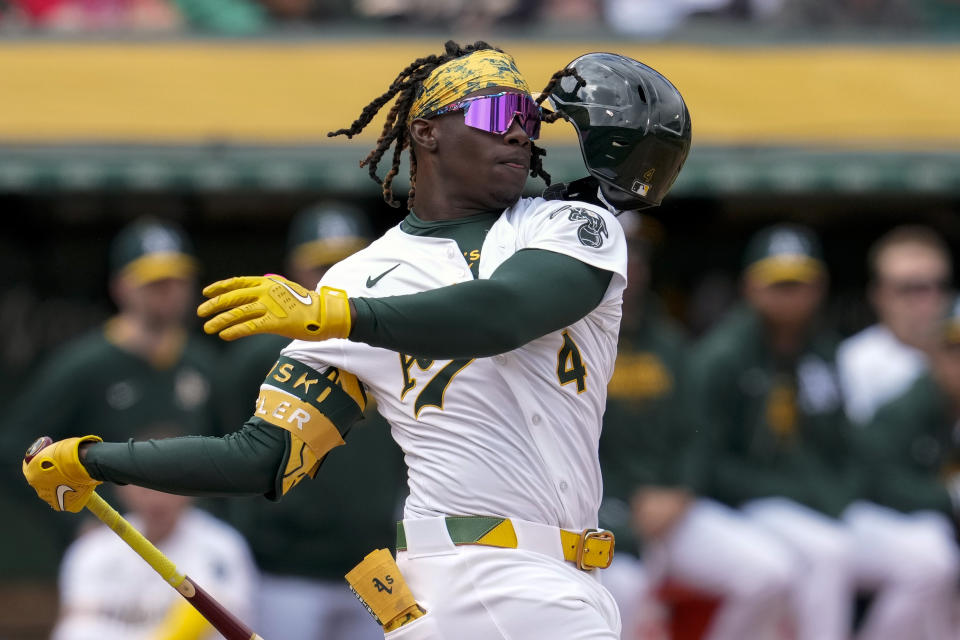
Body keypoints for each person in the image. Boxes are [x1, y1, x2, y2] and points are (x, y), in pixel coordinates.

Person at [22, 41, 693, 639]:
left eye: (527, 118)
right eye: (496, 116)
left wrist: (337, 316)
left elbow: (500, 315)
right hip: (484, 579)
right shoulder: (358, 277)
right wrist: (98, 460)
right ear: (427, 132)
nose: (519, 134)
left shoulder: (568, 225)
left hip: (558, 581)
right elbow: (261, 457)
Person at [690, 223, 958, 640]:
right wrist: (810, 493)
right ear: (752, 287)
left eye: (799, 283)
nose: (790, 295)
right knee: (825, 553)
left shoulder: (823, 349)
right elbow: (708, 464)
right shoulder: (723, 357)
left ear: (818, 287)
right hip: (746, 504)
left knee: (929, 559)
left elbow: (845, 447)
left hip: (822, 503)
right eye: (779, 284)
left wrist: (834, 494)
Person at [599, 215, 794, 640]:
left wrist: (680, 491)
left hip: (670, 509)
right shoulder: (563, 341)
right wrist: (623, 510)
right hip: (598, 511)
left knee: (769, 573)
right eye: (619, 250)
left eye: (638, 254)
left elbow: (696, 432)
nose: (631, 264)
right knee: (626, 592)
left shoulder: (668, 340)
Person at [221, 202, 404, 640]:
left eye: (346, 260)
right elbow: (226, 447)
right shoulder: (258, 355)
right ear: (294, 269)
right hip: (286, 571)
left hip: (378, 566)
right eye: (321, 263)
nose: (332, 273)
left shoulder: (390, 342)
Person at [1, 217, 220, 580]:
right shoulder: (84, 364)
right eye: (154, 282)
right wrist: (75, 523)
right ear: (121, 287)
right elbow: (16, 452)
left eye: (176, 279)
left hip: (194, 545)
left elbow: (234, 453)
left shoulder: (203, 363)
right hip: (116, 544)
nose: (168, 291)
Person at [52, 448, 257, 640]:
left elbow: (222, 622)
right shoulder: (94, 548)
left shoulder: (221, 545)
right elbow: (76, 626)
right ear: (123, 488)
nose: (157, 499)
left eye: (166, 486)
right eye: (145, 487)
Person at [837, 225, 953, 425]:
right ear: (878, 295)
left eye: (938, 285)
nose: (927, 300)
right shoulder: (858, 358)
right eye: (910, 288)